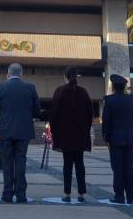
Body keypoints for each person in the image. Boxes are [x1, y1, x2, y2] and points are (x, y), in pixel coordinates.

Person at [0, 63, 40, 204]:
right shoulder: (30, 88)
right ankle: (21, 194)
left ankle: (7, 194)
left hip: (5, 130)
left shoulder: (1, 87)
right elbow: (37, 110)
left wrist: (3, 114)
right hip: (24, 131)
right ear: (21, 74)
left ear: (8, 74)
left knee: (7, 162)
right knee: (21, 161)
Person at [49, 67, 93, 203]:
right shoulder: (83, 92)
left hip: (65, 135)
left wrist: (55, 132)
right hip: (80, 135)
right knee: (80, 164)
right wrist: (86, 129)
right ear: (76, 77)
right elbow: (90, 114)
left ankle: (67, 193)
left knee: (67, 165)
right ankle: (81, 193)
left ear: (65, 77)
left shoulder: (59, 91)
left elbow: (54, 114)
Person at [102, 74, 133, 205]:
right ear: (124, 87)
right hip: (130, 137)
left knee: (117, 167)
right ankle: (131, 196)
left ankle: (119, 195)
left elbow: (106, 122)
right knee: (129, 167)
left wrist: (105, 137)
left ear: (113, 86)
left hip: (115, 138)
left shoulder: (109, 100)